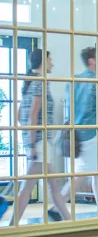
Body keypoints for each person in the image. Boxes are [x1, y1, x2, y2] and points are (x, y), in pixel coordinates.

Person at [60, 47, 98, 217]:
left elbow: (71, 109)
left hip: (76, 134)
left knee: (96, 172)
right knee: (83, 174)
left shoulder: (75, 81)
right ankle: (58, 204)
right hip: (90, 134)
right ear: (91, 61)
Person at [14, 50, 70, 223]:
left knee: (52, 184)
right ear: (42, 62)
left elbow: (19, 115)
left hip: (36, 140)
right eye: (50, 59)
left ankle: (69, 221)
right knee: (32, 186)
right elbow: (33, 114)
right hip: (38, 142)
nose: (52, 63)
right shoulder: (40, 82)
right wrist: (32, 146)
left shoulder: (31, 82)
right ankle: (12, 225)